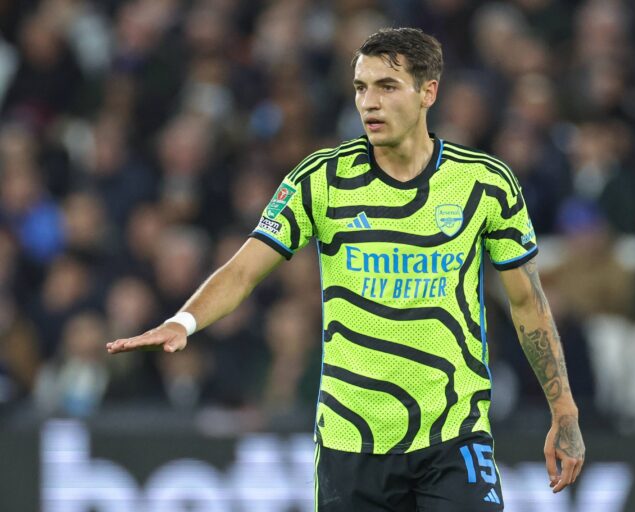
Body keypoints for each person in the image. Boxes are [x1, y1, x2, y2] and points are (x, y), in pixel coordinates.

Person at [107, 27, 585, 511]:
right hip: (350, 445)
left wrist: (563, 409)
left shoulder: (485, 183)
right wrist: (183, 320)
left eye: (387, 86)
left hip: (453, 435)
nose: (369, 103)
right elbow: (243, 271)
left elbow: (528, 303)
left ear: (428, 92)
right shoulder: (322, 180)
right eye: (361, 87)